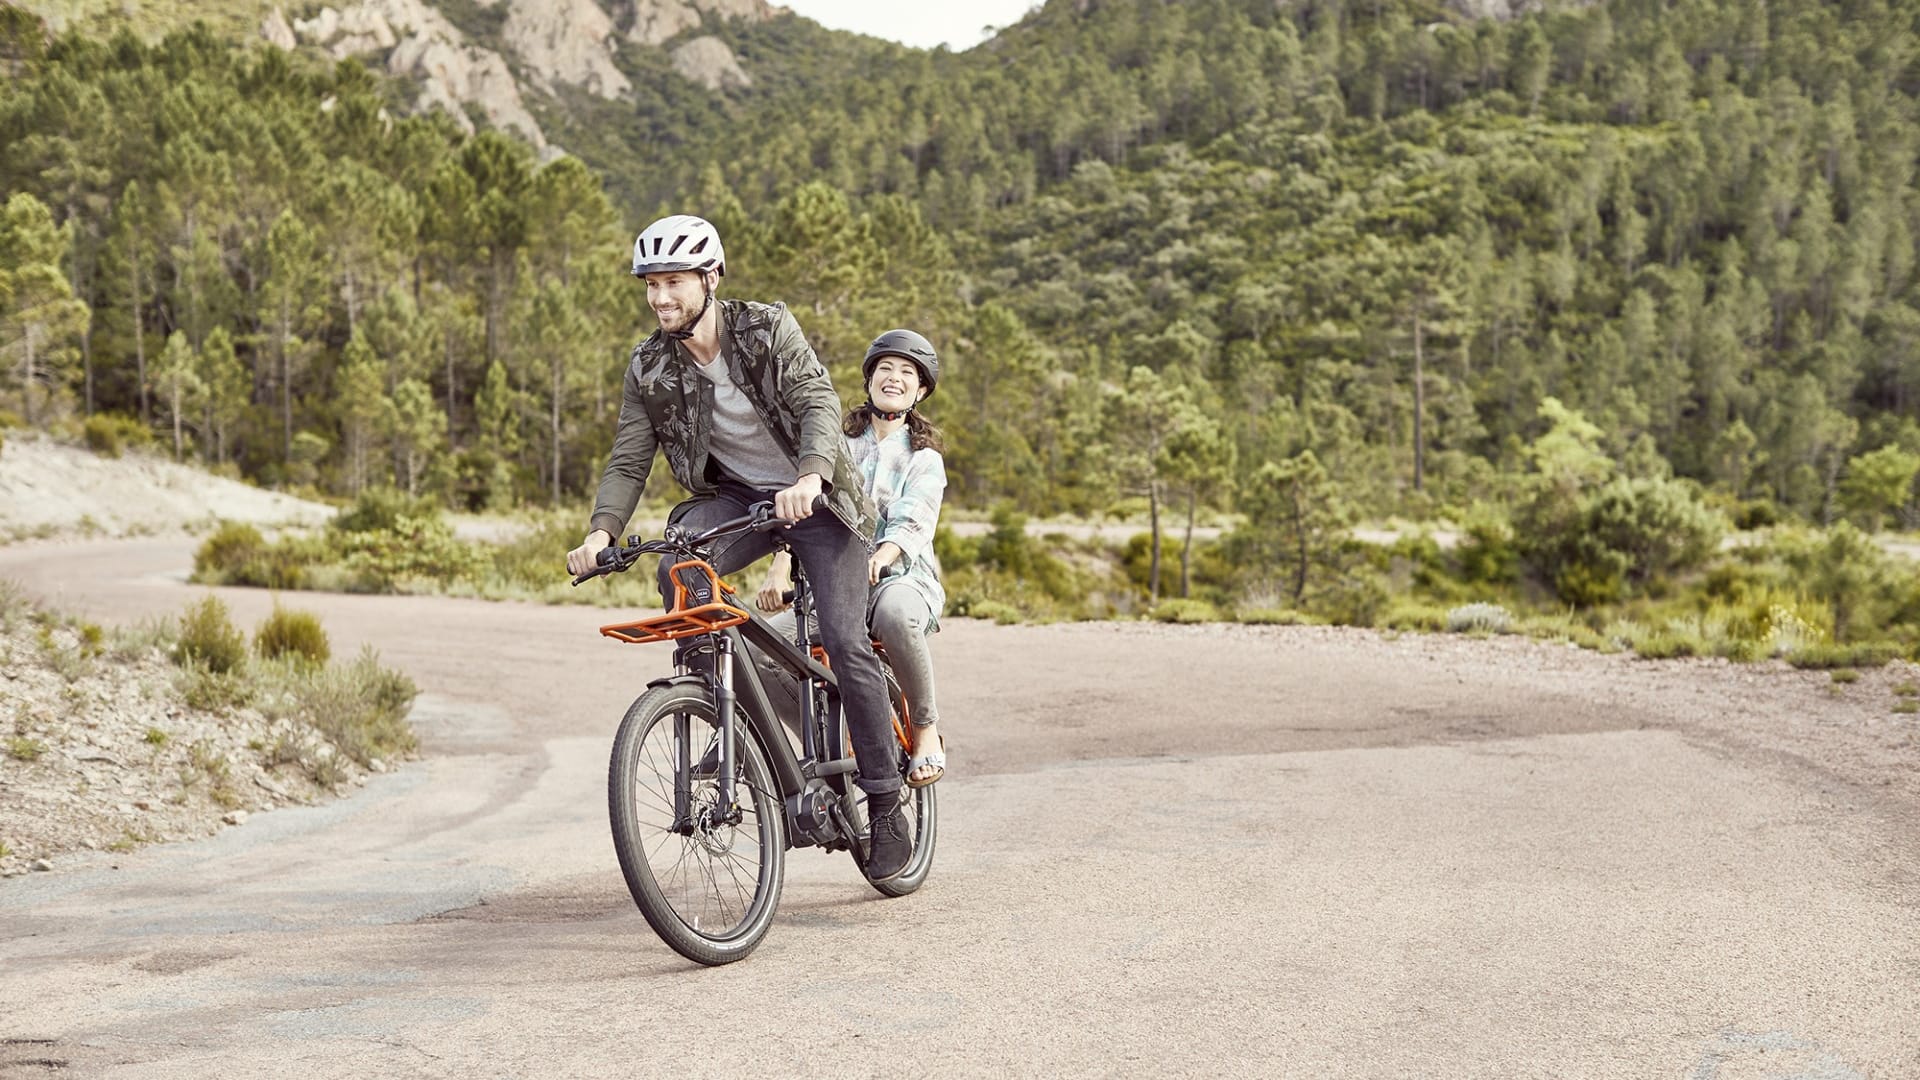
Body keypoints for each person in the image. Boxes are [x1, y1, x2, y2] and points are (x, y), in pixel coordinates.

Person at [565, 214, 915, 881]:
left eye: (673, 282)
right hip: (739, 504)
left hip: (820, 501)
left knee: (844, 641)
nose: (660, 298)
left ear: (709, 277)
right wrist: (601, 532)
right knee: (679, 565)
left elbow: (815, 399)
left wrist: (811, 475)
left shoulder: (765, 327)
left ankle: (886, 801)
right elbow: (628, 456)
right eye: (651, 285)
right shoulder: (649, 365)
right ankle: (727, 714)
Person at [756, 329, 948, 787]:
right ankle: (825, 736)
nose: (894, 378)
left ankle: (926, 731)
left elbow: (913, 521)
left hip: (899, 580)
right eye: (885, 368)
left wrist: (881, 556)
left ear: (920, 390)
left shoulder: (924, 459)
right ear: (869, 379)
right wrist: (779, 567)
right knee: (758, 648)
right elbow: (802, 508)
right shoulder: (834, 446)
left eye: (907, 373)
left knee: (897, 617)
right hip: (833, 583)